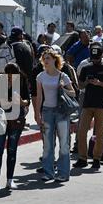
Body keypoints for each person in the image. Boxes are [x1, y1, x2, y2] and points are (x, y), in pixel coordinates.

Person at [35, 50, 75, 182]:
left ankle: (63, 173)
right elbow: (39, 97)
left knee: (64, 142)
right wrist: (37, 114)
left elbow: (73, 93)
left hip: (61, 112)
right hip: (47, 111)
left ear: (55, 60)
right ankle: (48, 172)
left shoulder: (63, 76)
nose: (46, 60)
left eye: (48, 58)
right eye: (44, 58)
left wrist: (63, 88)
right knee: (48, 143)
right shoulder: (40, 76)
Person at [74, 44, 103, 170]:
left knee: (99, 134)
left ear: (102, 55)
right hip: (87, 104)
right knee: (81, 131)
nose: (95, 60)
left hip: (101, 104)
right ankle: (82, 158)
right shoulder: (86, 67)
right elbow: (80, 86)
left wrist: (100, 83)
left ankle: (97, 159)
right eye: (93, 58)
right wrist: (87, 82)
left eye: (97, 58)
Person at [0, 63, 30, 190]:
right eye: (7, 75)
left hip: (15, 120)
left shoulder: (22, 82)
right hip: (2, 120)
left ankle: (10, 179)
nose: (9, 78)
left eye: (12, 75)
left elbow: (27, 101)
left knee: (12, 150)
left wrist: (20, 101)